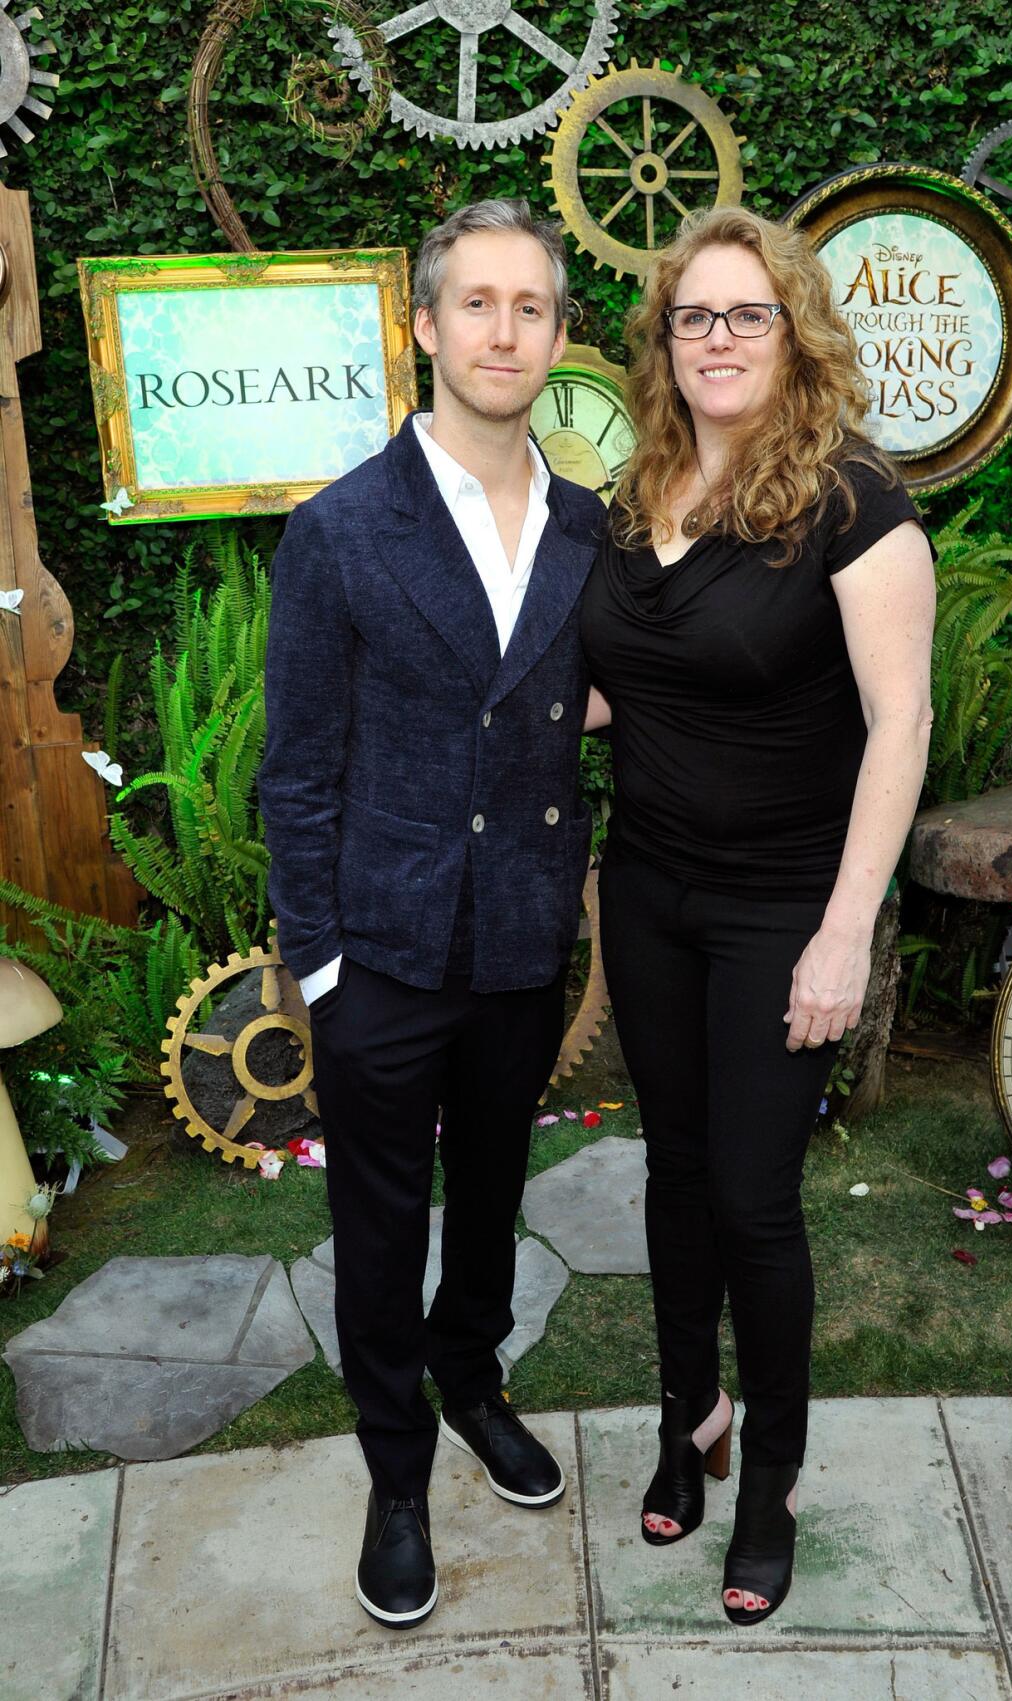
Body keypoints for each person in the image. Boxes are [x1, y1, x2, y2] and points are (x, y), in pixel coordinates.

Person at [580, 206, 935, 1624]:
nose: (718, 340)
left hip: (786, 903)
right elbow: (626, 681)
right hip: (650, 889)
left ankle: (773, 1476)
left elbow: (900, 722)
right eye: (693, 317)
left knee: (752, 1198)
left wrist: (847, 926)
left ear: (793, 334)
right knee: (671, 1173)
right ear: (662, 343)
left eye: (746, 315)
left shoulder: (853, 501)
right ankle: (693, 1417)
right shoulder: (635, 487)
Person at [259, 199, 605, 1631]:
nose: (504, 329)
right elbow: (298, 774)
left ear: (559, 336)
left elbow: (617, 702)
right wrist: (323, 965)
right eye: (478, 303)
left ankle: (475, 1381)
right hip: (386, 951)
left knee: (496, 1197)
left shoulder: (593, 528)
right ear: (425, 325)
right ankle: (397, 1471)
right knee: (381, 1217)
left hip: (523, 937)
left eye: (531, 306)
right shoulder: (341, 531)